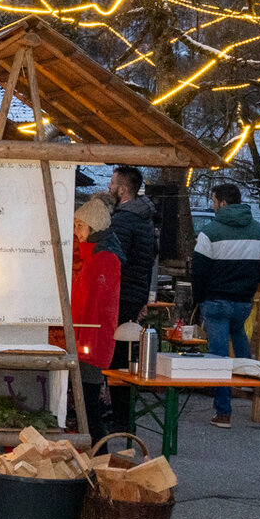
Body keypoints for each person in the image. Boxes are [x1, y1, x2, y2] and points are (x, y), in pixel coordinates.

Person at [191, 182, 260, 429]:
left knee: (218, 358)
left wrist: (199, 299)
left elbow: (198, 271)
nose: (212, 205)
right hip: (243, 301)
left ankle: (223, 412)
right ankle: (249, 385)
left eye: (213, 201)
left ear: (223, 203)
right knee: (239, 338)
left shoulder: (210, 232)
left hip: (216, 301)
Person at [106, 165, 158, 436]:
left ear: (123, 189)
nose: (109, 187)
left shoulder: (124, 219)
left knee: (116, 356)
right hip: (134, 293)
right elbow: (150, 259)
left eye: (112, 184)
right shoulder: (144, 218)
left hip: (122, 294)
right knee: (126, 354)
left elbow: (115, 259)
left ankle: (120, 418)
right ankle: (123, 415)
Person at [68, 197, 121, 440]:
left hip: (92, 343)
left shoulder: (105, 259)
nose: (76, 231)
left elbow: (97, 307)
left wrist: (83, 344)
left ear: (94, 227)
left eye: (80, 226)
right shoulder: (93, 257)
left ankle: (99, 454)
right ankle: (94, 454)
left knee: (88, 407)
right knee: (85, 408)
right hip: (85, 339)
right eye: (75, 225)